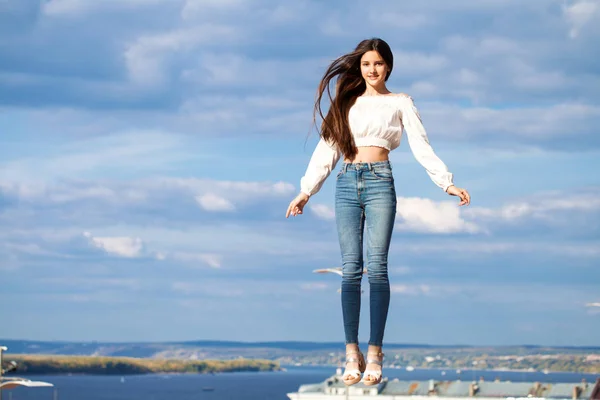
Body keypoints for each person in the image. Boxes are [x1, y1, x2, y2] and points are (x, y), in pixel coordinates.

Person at [285, 38, 470, 386]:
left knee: (378, 268)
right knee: (351, 270)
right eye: (367, 63)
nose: (372, 69)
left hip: (380, 182)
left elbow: (421, 145)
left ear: (388, 66)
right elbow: (326, 151)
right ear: (359, 67)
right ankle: (351, 352)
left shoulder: (400, 102)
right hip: (345, 183)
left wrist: (446, 183)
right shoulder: (345, 104)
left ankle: (375, 352)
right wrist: (306, 191)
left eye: (379, 63)